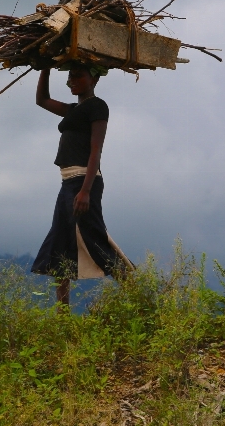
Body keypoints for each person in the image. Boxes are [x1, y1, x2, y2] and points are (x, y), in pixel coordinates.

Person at [31, 64, 134, 307]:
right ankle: (62, 315)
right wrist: (43, 67)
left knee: (94, 238)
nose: (71, 81)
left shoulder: (97, 106)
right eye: (69, 76)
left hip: (84, 182)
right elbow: (42, 100)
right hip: (67, 183)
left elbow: (96, 150)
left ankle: (135, 294)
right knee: (60, 242)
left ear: (95, 78)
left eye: (77, 75)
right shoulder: (73, 109)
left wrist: (85, 191)